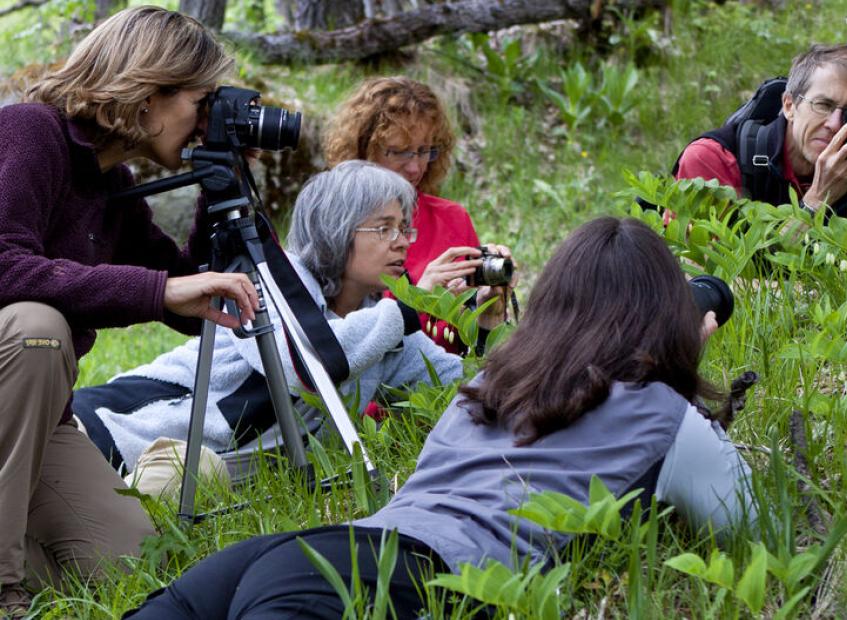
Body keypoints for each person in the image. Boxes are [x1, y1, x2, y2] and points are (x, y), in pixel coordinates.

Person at [124, 216, 757, 619]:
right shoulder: (665, 414)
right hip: (399, 579)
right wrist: (684, 365)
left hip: (314, 550)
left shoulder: (496, 380)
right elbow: (747, 523)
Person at [0, 6, 262, 615]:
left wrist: (222, 193)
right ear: (148, 93)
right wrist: (154, 291)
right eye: (200, 104)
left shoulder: (112, 187)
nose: (201, 123)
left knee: (123, 560)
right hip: (16, 370)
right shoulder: (29, 132)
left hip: (40, 413)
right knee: (38, 328)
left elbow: (191, 300)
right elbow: (5, 265)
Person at [72, 161, 509, 485]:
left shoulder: (384, 332)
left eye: (405, 228)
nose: (401, 243)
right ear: (337, 229)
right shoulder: (268, 280)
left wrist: (487, 326)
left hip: (187, 474)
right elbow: (308, 365)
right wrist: (412, 308)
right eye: (384, 228)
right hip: (106, 433)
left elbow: (466, 397)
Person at [324, 76, 513, 353]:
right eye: (399, 152)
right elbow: (332, 343)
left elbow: (472, 356)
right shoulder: (337, 221)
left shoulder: (453, 219)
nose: (415, 168)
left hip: (442, 387)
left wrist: (489, 314)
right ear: (364, 150)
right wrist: (419, 299)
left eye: (425, 151)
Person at [674, 44, 847, 227]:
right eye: (823, 105)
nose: (833, 124)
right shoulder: (711, 159)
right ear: (789, 105)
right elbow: (705, 281)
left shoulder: (846, 172)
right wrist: (818, 199)